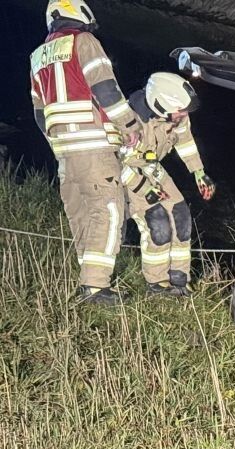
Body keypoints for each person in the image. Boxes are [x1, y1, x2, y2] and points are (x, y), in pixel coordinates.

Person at [29, 0, 142, 305]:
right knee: (108, 211)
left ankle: (88, 277)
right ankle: (96, 288)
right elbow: (105, 88)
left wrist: (57, 143)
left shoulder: (38, 56)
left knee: (80, 212)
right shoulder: (85, 41)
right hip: (94, 147)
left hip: (64, 153)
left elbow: (39, 113)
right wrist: (130, 124)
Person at [119, 72, 216, 297]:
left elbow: (185, 140)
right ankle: (157, 283)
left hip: (153, 168)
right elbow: (113, 163)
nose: (184, 116)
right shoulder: (127, 120)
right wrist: (145, 189)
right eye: (181, 111)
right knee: (157, 221)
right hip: (127, 172)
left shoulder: (177, 115)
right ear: (161, 104)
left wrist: (199, 172)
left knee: (180, 214)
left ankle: (179, 280)